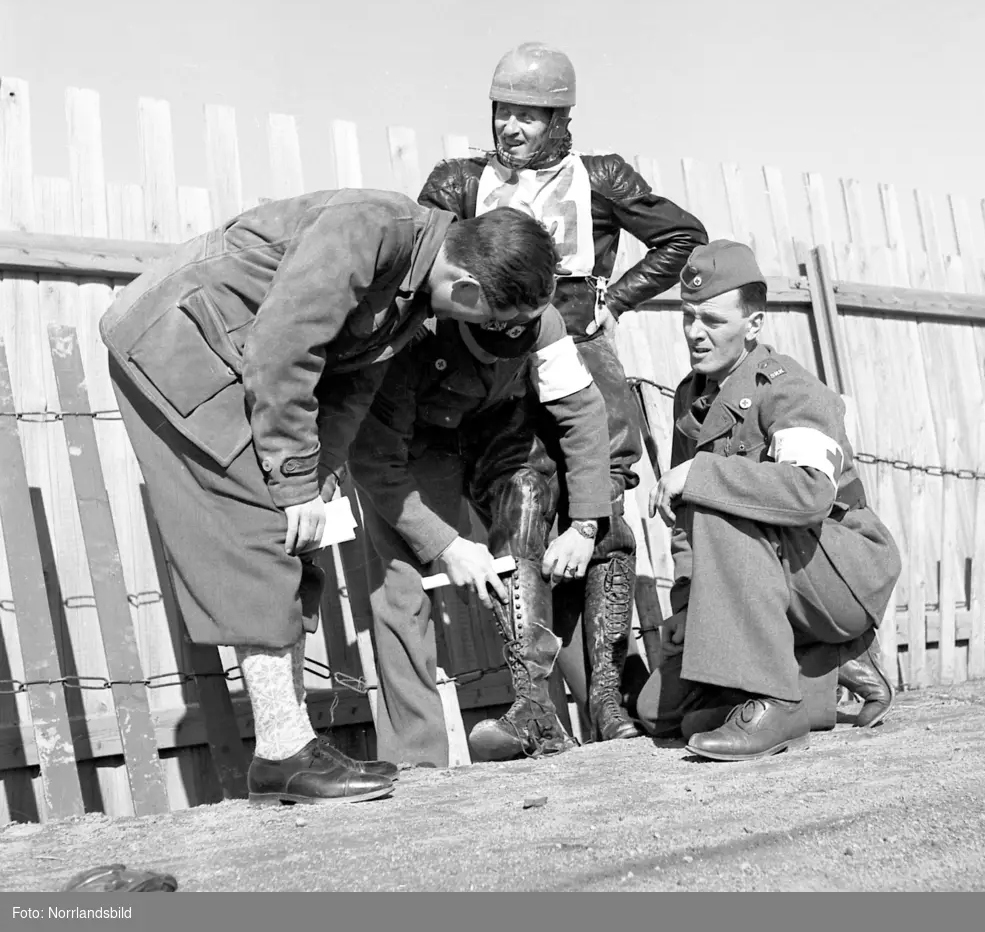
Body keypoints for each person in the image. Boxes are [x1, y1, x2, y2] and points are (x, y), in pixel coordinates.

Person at [99, 191, 557, 804]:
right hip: (174, 341)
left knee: (288, 530)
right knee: (263, 529)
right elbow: (284, 349)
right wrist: (291, 483)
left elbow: (354, 387)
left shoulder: (413, 288)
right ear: (469, 291)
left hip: (234, 354)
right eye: (485, 319)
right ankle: (283, 751)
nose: (479, 332)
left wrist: (316, 476)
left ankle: (284, 749)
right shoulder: (368, 231)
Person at [417, 42, 708, 740]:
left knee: (603, 506)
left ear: (560, 120)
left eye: (528, 115)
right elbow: (422, 268)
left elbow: (681, 236)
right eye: (503, 112)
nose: (510, 127)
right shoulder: (458, 183)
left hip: (580, 346)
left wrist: (623, 299)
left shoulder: (599, 174)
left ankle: (609, 703)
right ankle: (533, 707)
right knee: (518, 506)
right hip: (497, 361)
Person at [635, 239, 901, 761]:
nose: (694, 332)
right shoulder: (694, 397)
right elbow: (688, 528)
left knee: (714, 491)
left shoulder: (789, 390)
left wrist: (702, 473)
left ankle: (777, 699)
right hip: (764, 578)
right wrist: (689, 609)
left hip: (837, 574)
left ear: (753, 324)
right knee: (663, 715)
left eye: (711, 319)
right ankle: (834, 677)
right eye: (687, 317)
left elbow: (809, 494)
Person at [348, 305, 613, 765]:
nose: (498, 358)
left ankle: (548, 711)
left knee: (529, 505)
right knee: (402, 580)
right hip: (415, 443)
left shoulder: (542, 318)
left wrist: (586, 522)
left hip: (501, 429)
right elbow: (374, 461)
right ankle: (415, 761)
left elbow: (581, 410)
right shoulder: (408, 330)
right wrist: (446, 545)